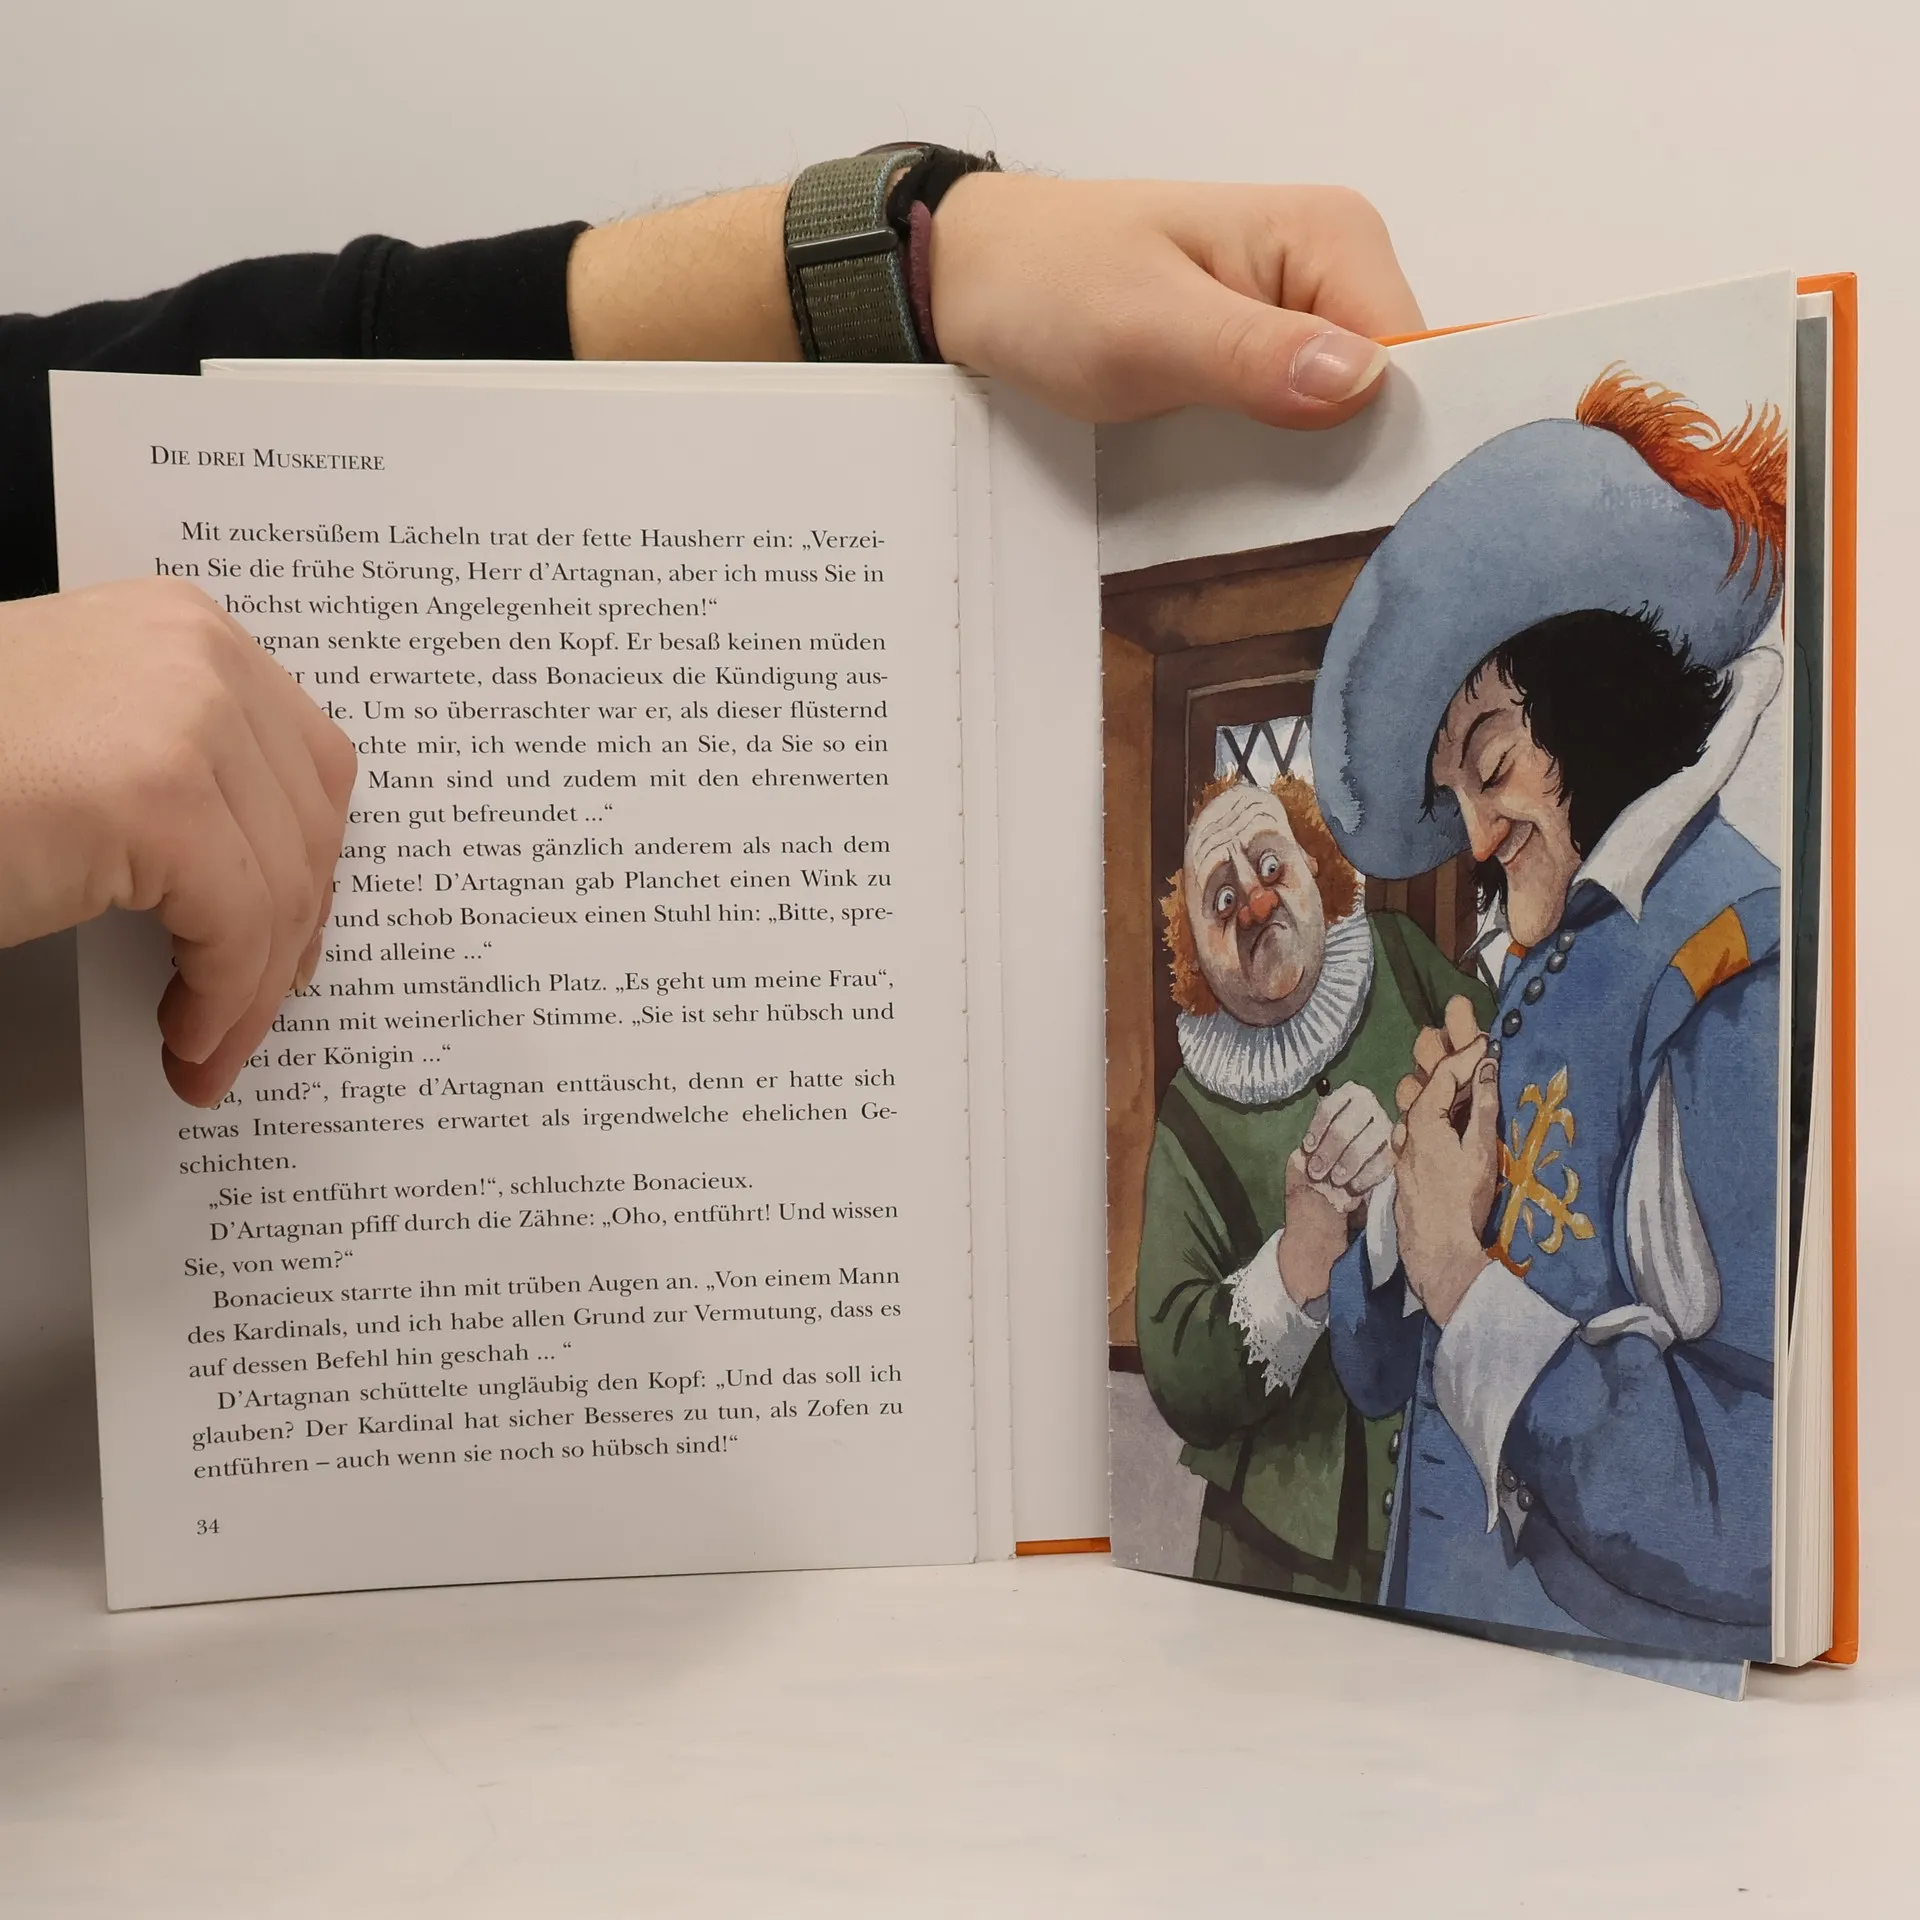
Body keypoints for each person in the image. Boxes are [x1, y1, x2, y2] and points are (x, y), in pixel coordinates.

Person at [0, 165, 1421, 1108]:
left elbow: (287, 366)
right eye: (1226, 880)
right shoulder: (1196, 1095)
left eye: (1262, 867)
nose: (1253, 904)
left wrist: (919, 247)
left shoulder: (1412, 984)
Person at [1311, 368, 1786, 1661]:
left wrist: (1462, 1278)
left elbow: (1760, 1513)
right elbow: (1375, 1378)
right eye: (1456, 797)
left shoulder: (1734, 973)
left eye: (1493, 764)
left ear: (1597, 703)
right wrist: (1410, 1217)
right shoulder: (1540, 969)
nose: (1474, 836)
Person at [1132, 770, 1490, 1602]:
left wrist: (1452, 1135)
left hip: (1457, 1487)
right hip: (1282, 1547)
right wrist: (1299, 1260)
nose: (1255, 906)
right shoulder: (1190, 1116)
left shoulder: (1399, 958)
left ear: (1317, 871)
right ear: (1195, 955)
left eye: (1270, 867)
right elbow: (1176, 1366)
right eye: (1222, 903)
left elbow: (1524, 1090)